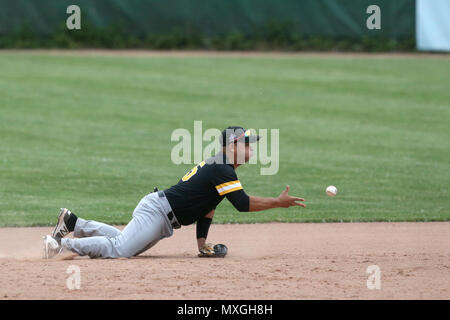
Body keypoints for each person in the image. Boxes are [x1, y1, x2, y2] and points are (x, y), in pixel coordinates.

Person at [43, 126, 306, 259]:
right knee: (120, 250)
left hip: (159, 213)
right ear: (234, 145)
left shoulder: (222, 168)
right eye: (248, 144)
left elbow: (209, 206)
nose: (252, 149)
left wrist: (202, 245)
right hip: (157, 212)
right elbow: (242, 204)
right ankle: (60, 244)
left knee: (123, 243)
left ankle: (73, 222)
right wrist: (278, 202)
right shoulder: (222, 169)